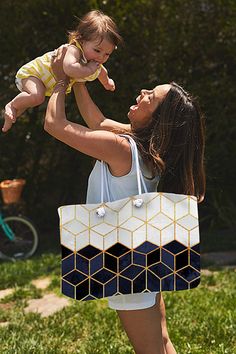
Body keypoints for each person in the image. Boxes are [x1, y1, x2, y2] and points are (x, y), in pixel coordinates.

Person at [44, 45, 206, 354]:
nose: (143, 92)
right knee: (161, 342)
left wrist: (61, 81)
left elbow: (54, 125)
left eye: (151, 98)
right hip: (145, 260)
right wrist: (80, 79)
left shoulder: (122, 148)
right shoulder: (146, 149)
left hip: (124, 266)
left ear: (159, 120)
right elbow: (97, 121)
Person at [2, 10, 122, 133]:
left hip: (45, 84)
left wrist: (107, 82)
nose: (101, 57)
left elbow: (102, 72)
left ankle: (10, 118)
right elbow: (69, 68)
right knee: (36, 97)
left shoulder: (95, 63)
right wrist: (89, 69)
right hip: (35, 74)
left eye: (107, 54)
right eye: (97, 50)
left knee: (31, 101)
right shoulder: (74, 50)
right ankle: (11, 105)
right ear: (82, 40)